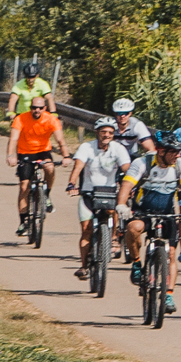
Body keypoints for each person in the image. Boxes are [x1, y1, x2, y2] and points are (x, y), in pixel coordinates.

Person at [116, 134, 181, 313]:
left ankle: (168, 294)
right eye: (174, 152)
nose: (178, 155)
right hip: (143, 211)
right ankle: (136, 262)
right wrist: (121, 204)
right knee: (133, 228)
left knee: (171, 253)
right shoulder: (142, 163)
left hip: (167, 212)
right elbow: (127, 185)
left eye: (179, 151)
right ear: (161, 152)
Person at [65, 117, 130, 279]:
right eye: (103, 132)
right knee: (86, 231)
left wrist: (132, 184)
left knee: (114, 209)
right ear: (97, 132)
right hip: (88, 193)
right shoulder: (86, 147)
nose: (107, 135)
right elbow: (78, 167)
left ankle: (113, 237)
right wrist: (72, 183)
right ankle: (83, 266)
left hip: (109, 192)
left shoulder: (118, 149)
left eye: (110, 132)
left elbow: (126, 168)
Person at [6, 94, 69, 235]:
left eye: (40, 108)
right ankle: (23, 222)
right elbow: (13, 139)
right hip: (25, 153)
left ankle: (46, 194)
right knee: (24, 187)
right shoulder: (21, 118)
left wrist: (66, 156)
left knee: (50, 167)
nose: (37, 110)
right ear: (30, 108)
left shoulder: (51, 119)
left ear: (45, 108)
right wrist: (11, 156)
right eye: (34, 108)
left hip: (43, 151)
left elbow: (60, 140)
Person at [108, 98, 155, 163]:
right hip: (113, 156)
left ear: (130, 113)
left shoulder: (137, 125)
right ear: (115, 114)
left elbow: (150, 148)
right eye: (119, 113)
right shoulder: (110, 125)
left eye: (126, 113)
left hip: (131, 156)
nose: (122, 116)